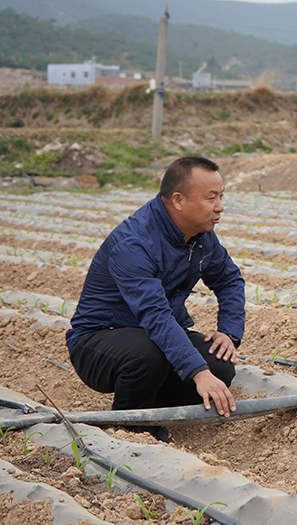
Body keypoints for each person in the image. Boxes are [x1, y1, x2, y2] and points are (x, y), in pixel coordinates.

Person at [66, 156, 245, 439]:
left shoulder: (201, 236)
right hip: (99, 342)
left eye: (221, 196)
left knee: (219, 366)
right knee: (150, 354)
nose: (220, 207)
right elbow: (155, 315)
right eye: (211, 198)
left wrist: (229, 332)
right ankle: (131, 424)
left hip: (151, 335)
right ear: (178, 200)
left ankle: (152, 404)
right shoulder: (135, 243)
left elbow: (229, 279)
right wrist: (197, 373)